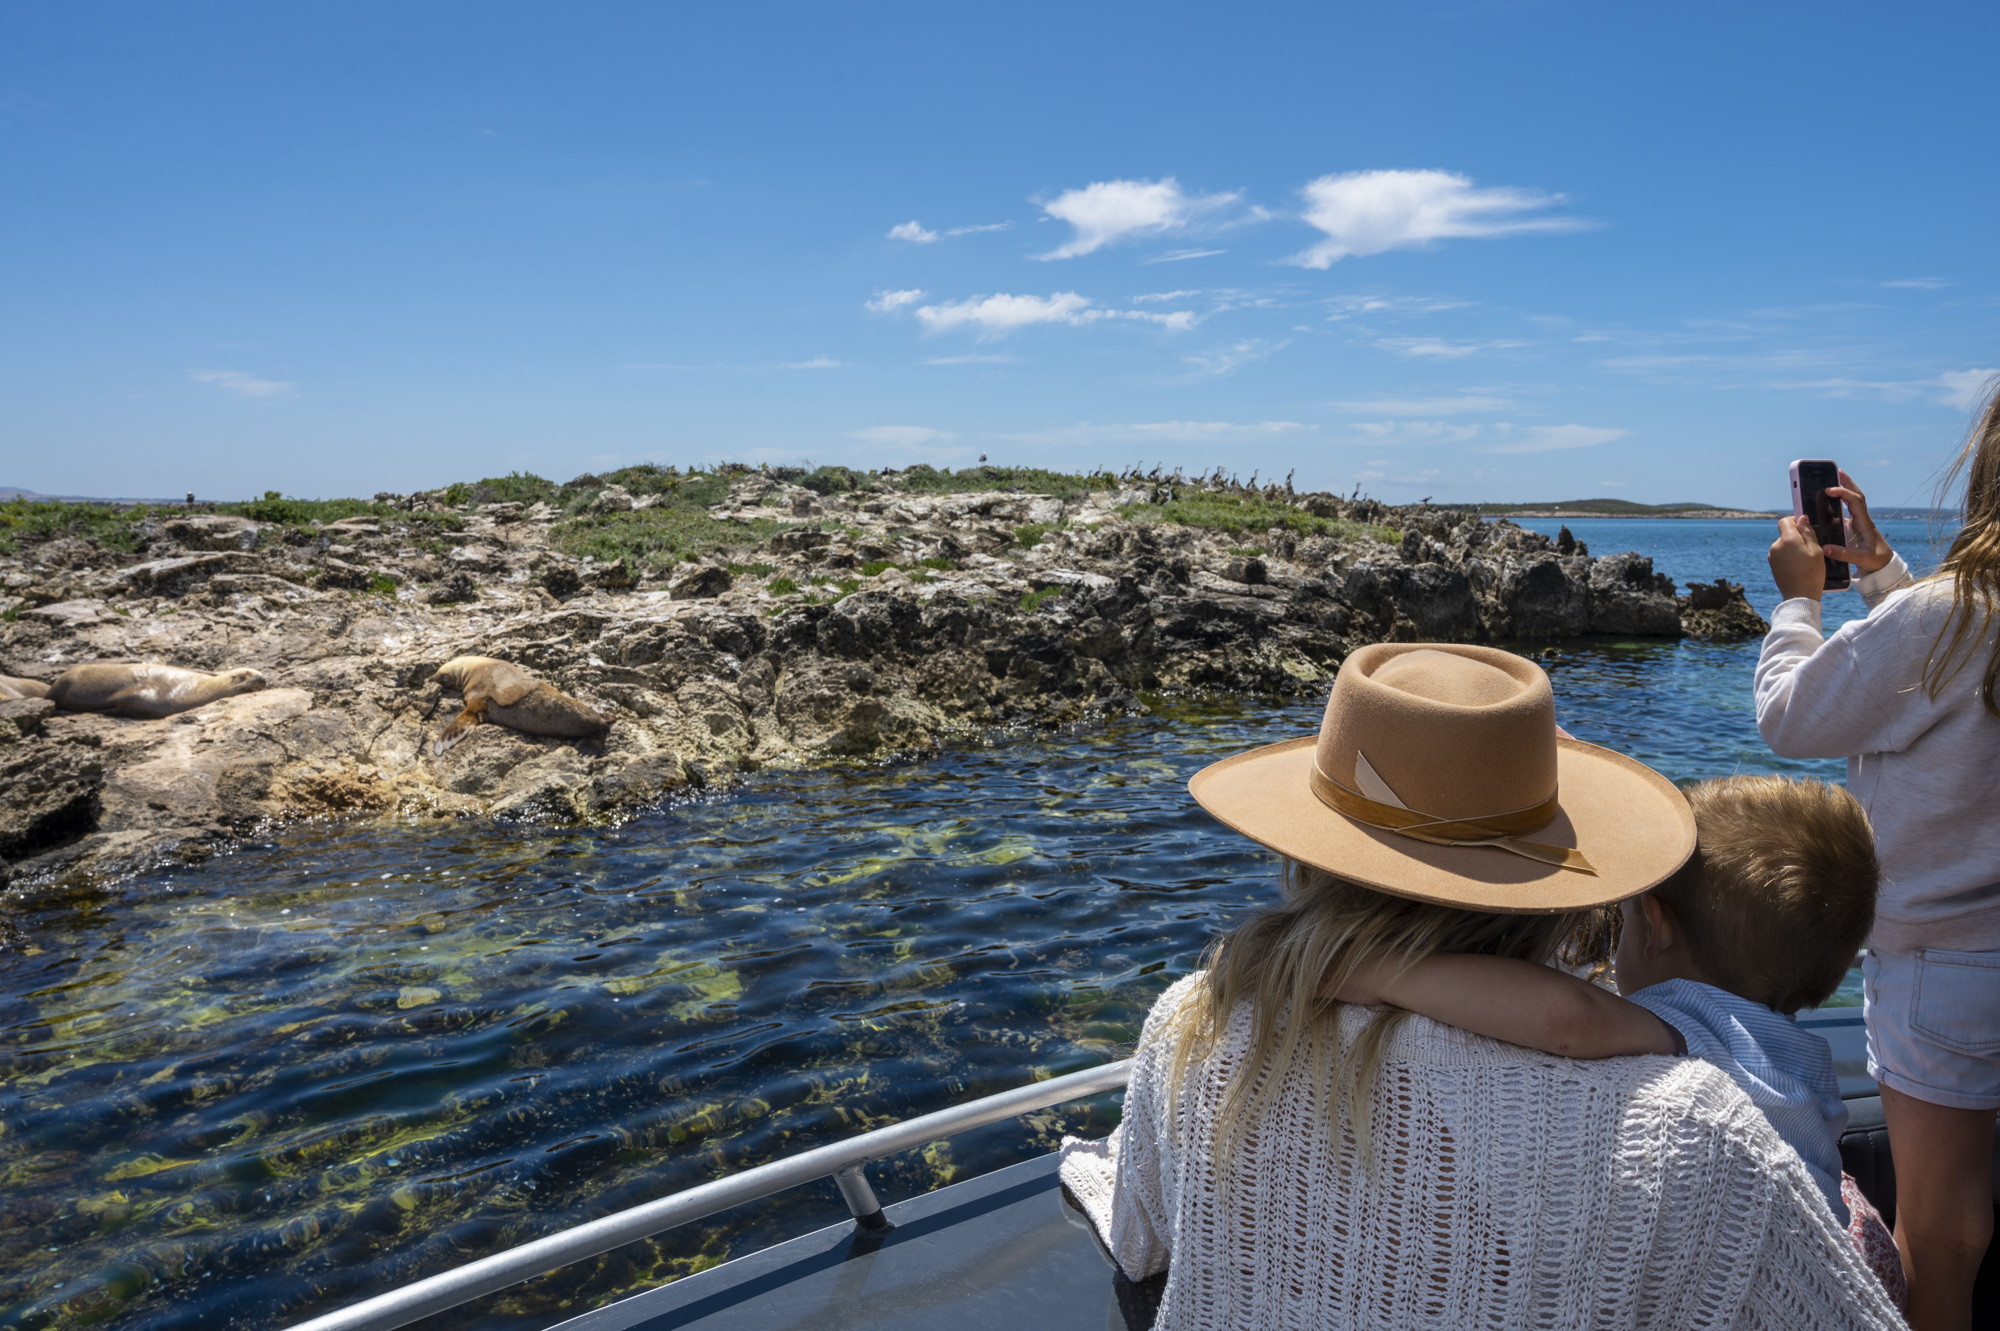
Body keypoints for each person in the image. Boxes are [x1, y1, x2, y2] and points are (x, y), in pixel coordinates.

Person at [1059, 643, 1903, 1330]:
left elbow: (1139, 1240)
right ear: (1545, 886)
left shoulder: (1194, 1025)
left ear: (1308, 846)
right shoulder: (1688, 1134)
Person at [1321, 774, 1903, 1304]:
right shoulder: (1794, 1054)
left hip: (1749, 1270)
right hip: (1814, 1258)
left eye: (1624, 919)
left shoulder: (1696, 1020)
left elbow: (1571, 1019)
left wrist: (1381, 972)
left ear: (1656, 925)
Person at [1759, 396, 2000, 1331]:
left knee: (1941, 1235)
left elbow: (1791, 715)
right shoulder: (1946, 619)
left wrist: (1799, 596)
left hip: (1939, 970)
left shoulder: (1951, 616)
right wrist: (1884, 577)